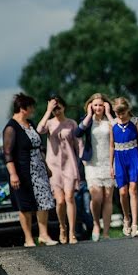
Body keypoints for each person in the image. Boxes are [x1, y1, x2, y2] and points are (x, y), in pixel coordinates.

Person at [3, 93, 58, 247]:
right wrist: (13, 174)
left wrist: (46, 167)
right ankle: (28, 238)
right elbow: (7, 154)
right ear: (22, 109)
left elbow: (39, 147)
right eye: (31, 107)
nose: (33, 109)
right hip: (22, 172)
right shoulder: (11, 128)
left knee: (43, 201)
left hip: (38, 168)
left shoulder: (31, 124)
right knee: (25, 205)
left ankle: (44, 235)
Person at [37, 95, 81, 244]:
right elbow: (39, 129)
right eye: (54, 108)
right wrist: (48, 110)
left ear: (64, 107)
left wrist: (85, 162)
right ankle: (63, 226)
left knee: (69, 198)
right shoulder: (49, 123)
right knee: (60, 201)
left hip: (69, 164)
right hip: (53, 166)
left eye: (58, 107)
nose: (57, 111)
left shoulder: (71, 123)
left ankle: (72, 232)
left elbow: (78, 144)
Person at [110, 97, 138, 238]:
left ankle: (135, 224)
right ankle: (126, 218)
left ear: (128, 110)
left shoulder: (135, 122)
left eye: (122, 113)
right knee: (122, 192)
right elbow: (111, 145)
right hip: (119, 157)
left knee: (133, 189)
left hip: (133, 155)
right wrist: (110, 165)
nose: (120, 116)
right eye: (117, 113)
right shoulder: (113, 125)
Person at [75, 93, 115, 241]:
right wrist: (89, 115)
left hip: (109, 162)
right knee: (96, 197)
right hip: (92, 164)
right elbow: (77, 133)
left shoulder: (110, 120)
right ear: (91, 106)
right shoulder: (87, 121)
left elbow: (117, 129)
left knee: (108, 198)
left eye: (100, 105)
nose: (98, 108)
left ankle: (106, 232)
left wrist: (110, 113)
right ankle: (96, 224)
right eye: (95, 105)